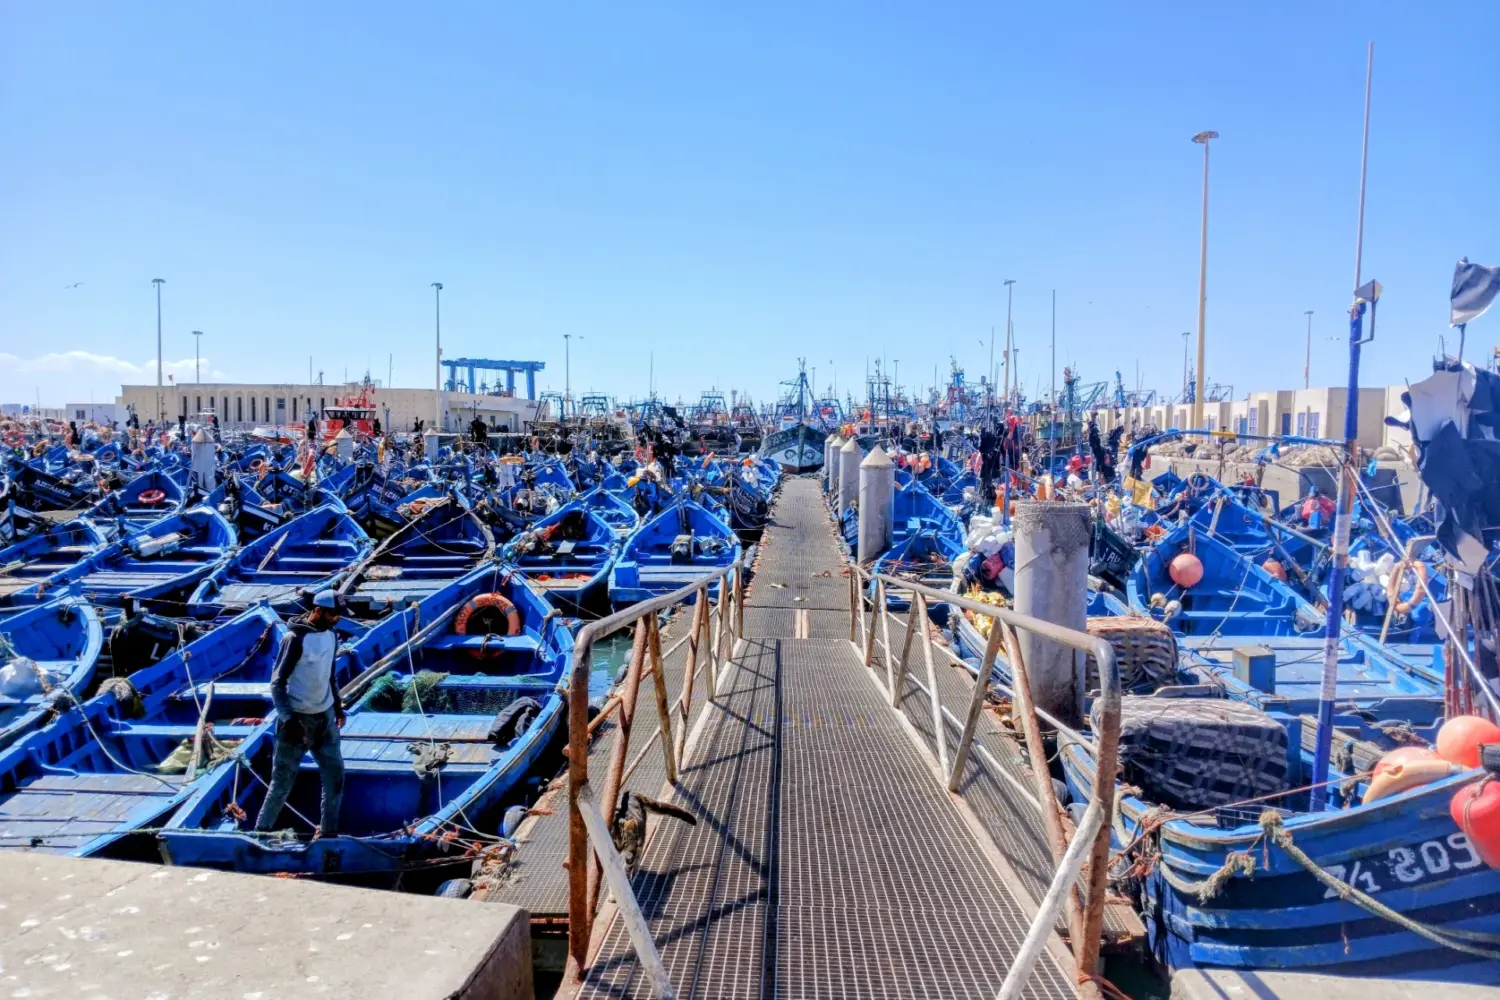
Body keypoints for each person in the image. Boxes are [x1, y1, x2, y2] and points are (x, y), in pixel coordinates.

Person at [256, 590, 345, 837]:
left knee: (335, 777)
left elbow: (330, 675)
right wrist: (288, 719)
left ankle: (328, 834)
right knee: (282, 783)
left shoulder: (332, 635)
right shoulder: (295, 638)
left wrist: (337, 706)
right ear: (317, 611)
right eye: (333, 614)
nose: (336, 619)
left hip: (325, 717)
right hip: (297, 720)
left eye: (339, 615)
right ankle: (261, 833)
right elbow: (277, 683)